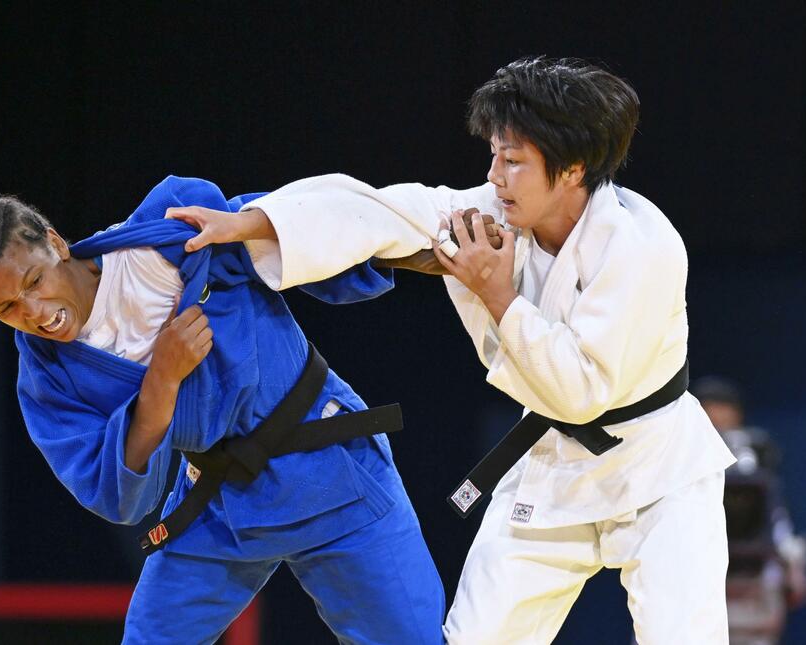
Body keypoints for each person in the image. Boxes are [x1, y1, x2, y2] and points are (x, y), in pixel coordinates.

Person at [169, 57, 738, 644]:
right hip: (553, 465)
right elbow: (378, 209)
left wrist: (497, 294)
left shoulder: (642, 248)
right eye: (494, 154)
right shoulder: (490, 217)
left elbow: (580, 393)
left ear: (572, 169)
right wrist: (251, 221)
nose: (494, 176)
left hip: (657, 471)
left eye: (513, 161)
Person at [0, 178, 446, 644]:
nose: (32, 312)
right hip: (217, 500)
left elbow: (304, 231)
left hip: (329, 466)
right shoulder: (46, 376)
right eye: (6, 308)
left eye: (33, 281)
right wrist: (162, 380)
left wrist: (431, 250)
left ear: (55, 244)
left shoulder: (165, 235)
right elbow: (116, 493)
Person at [692, 376, 806, 643]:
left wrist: (793, 565)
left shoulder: (757, 451)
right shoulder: (679, 450)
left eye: (722, 406)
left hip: (753, 576)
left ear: (737, 412)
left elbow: (776, 514)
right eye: (708, 406)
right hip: (695, 572)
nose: (716, 414)